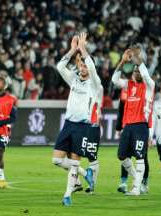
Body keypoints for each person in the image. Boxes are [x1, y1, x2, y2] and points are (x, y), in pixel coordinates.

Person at [51, 33, 101, 206]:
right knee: (56, 160)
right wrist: (73, 50)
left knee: (73, 162)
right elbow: (60, 66)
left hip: (82, 127)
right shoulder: (73, 79)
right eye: (80, 64)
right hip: (68, 124)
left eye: (84, 64)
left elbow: (92, 69)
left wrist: (83, 48)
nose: (82, 67)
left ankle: (67, 195)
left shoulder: (95, 83)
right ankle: (84, 173)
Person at [112, 47, 155, 196]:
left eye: (139, 71)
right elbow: (114, 80)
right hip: (128, 126)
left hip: (141, 126)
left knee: (140, 156)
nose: (137, 73)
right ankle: (138, 180)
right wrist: (123, 61)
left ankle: (136, 188)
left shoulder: (149, 86)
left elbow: (144, 71)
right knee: (121, 156)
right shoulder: (128, 86)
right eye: (134, 71)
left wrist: (137, 57)